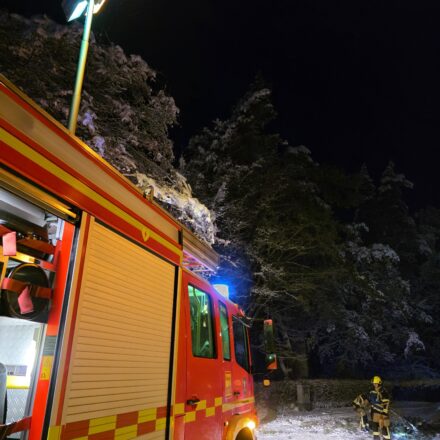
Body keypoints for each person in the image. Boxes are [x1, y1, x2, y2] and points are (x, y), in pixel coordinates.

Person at [368, 375, 392, 440]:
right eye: (374, 383)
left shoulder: (383, 391)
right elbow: (370, 400)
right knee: (375, 427)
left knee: (384, 427)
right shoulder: (371, 391)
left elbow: (386, 402)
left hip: (381, 413)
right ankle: (376, 438)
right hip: (374, 412)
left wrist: (385, 412)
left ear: (379, 383)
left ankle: (386, 439)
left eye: (376, 383)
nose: (374, 384)